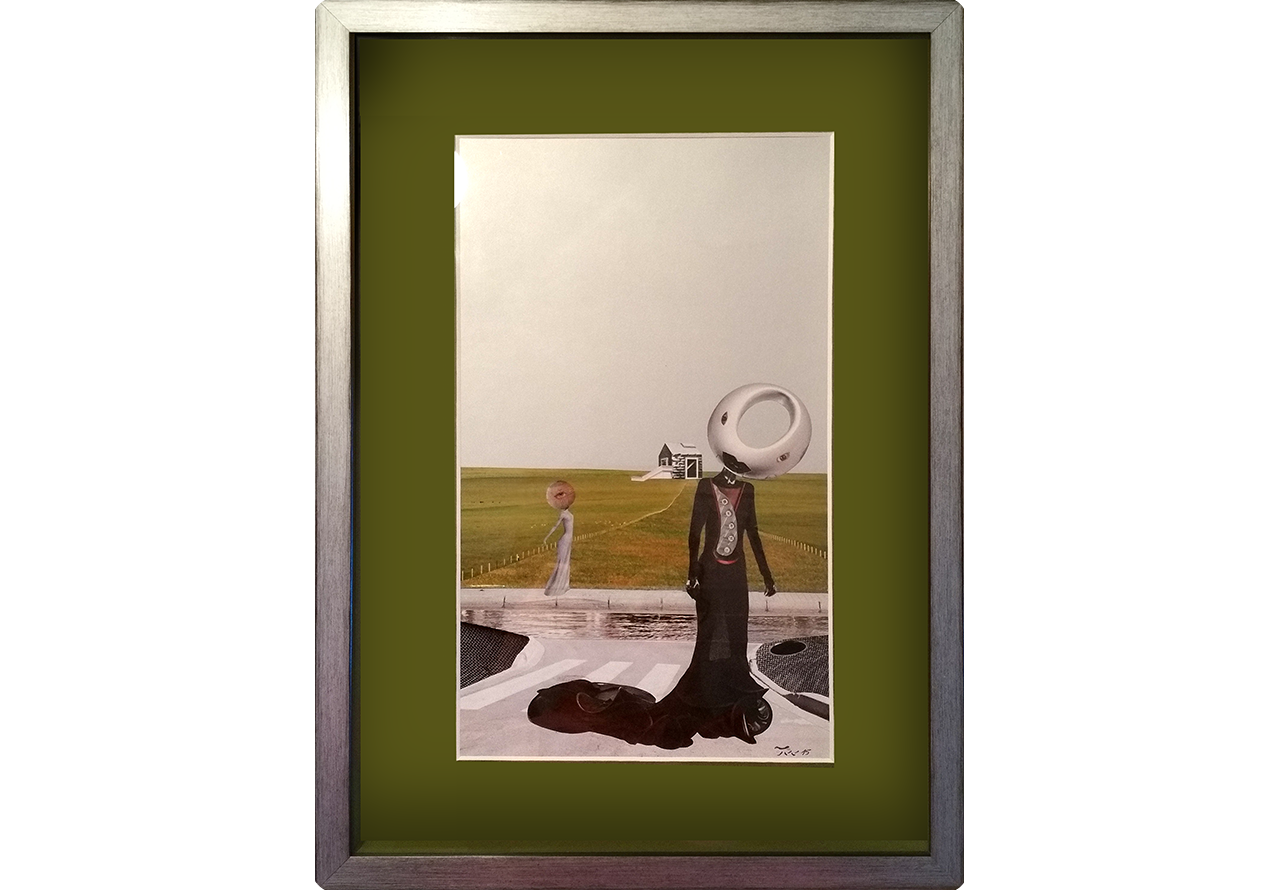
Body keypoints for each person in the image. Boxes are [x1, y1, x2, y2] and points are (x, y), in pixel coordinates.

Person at [527, 464, 776, 748]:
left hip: (736, 572)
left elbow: (752, 533)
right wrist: (692, 574)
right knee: (710, 633)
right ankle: (707, 691)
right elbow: (695, 531)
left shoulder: (748, 490)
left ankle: (732, 688)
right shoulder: (706, 486)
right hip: (710, 570)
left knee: (737, 629)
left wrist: (766, 576)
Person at [542, 480, 575, 596]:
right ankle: (557, 586)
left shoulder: (568, 513)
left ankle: (564, 585)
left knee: (566, 561)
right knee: (562, 561)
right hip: (565, 539)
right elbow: (555, 527)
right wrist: (547, 537)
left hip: (569, 539)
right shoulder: (563, 514)